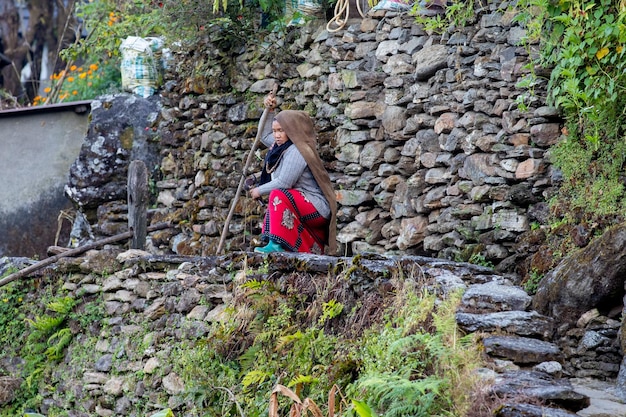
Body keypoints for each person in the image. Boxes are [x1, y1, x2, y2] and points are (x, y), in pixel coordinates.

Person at [249, 94, 337, 255]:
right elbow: (263, 135)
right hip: (301, 202)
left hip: (316, 207)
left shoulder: (298, 150)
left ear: (292, 130)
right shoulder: (282, 146)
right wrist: (269, 110)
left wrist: (259, 190)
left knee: (278, 194)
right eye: (275, 131)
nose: (276, 135)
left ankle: (275, 245)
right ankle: (274, 242)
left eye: (281, 130)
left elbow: (284, 182)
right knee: (278, 195)